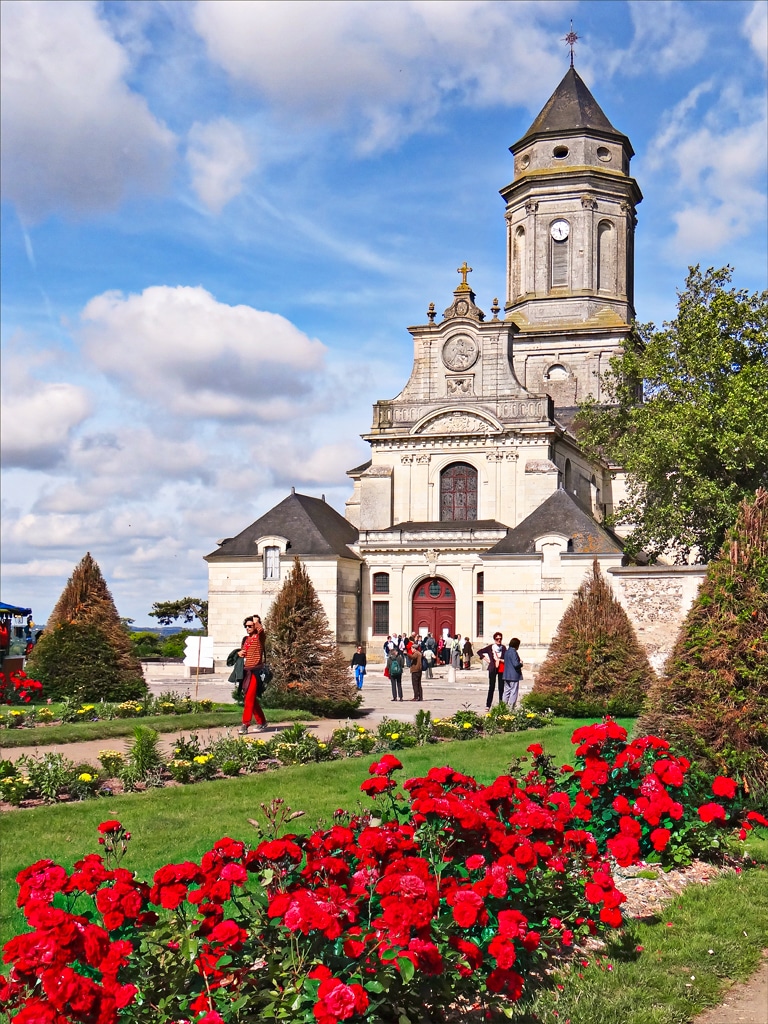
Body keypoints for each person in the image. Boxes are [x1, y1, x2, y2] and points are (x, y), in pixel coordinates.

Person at [237, 615, 267, 734]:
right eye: (246, 626)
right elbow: (242, 654)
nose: (248, 628)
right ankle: (262, 721)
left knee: (249, 698)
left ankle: (245, 724)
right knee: (251, 698)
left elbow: (261, 630)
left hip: (255, 672)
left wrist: (256, 621)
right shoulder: (246, 639)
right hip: (246, 671)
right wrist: (240, 653)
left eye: (250, 626)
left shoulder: (260, 638)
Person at [478, 632, 507, 710]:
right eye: (497, 639)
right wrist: (486, 659)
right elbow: (479, 652)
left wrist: (500, 660)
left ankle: (501, 705)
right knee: (492, 687)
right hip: (492, 668)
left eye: (500, 639)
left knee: (501, 687)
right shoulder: (490, 647)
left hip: (501, 668)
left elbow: (506, 657)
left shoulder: (503, 648)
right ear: (494, 639)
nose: (499, 640)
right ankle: (488, 705)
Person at [502, 638, 524, 707]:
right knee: (513, 692)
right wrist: (521, 664)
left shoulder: (507, 652)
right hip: (513, 676)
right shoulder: (513, 652)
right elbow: (516, 664)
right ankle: (511, 708)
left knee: (506, 692)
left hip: (506, 675)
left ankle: (503, 707)